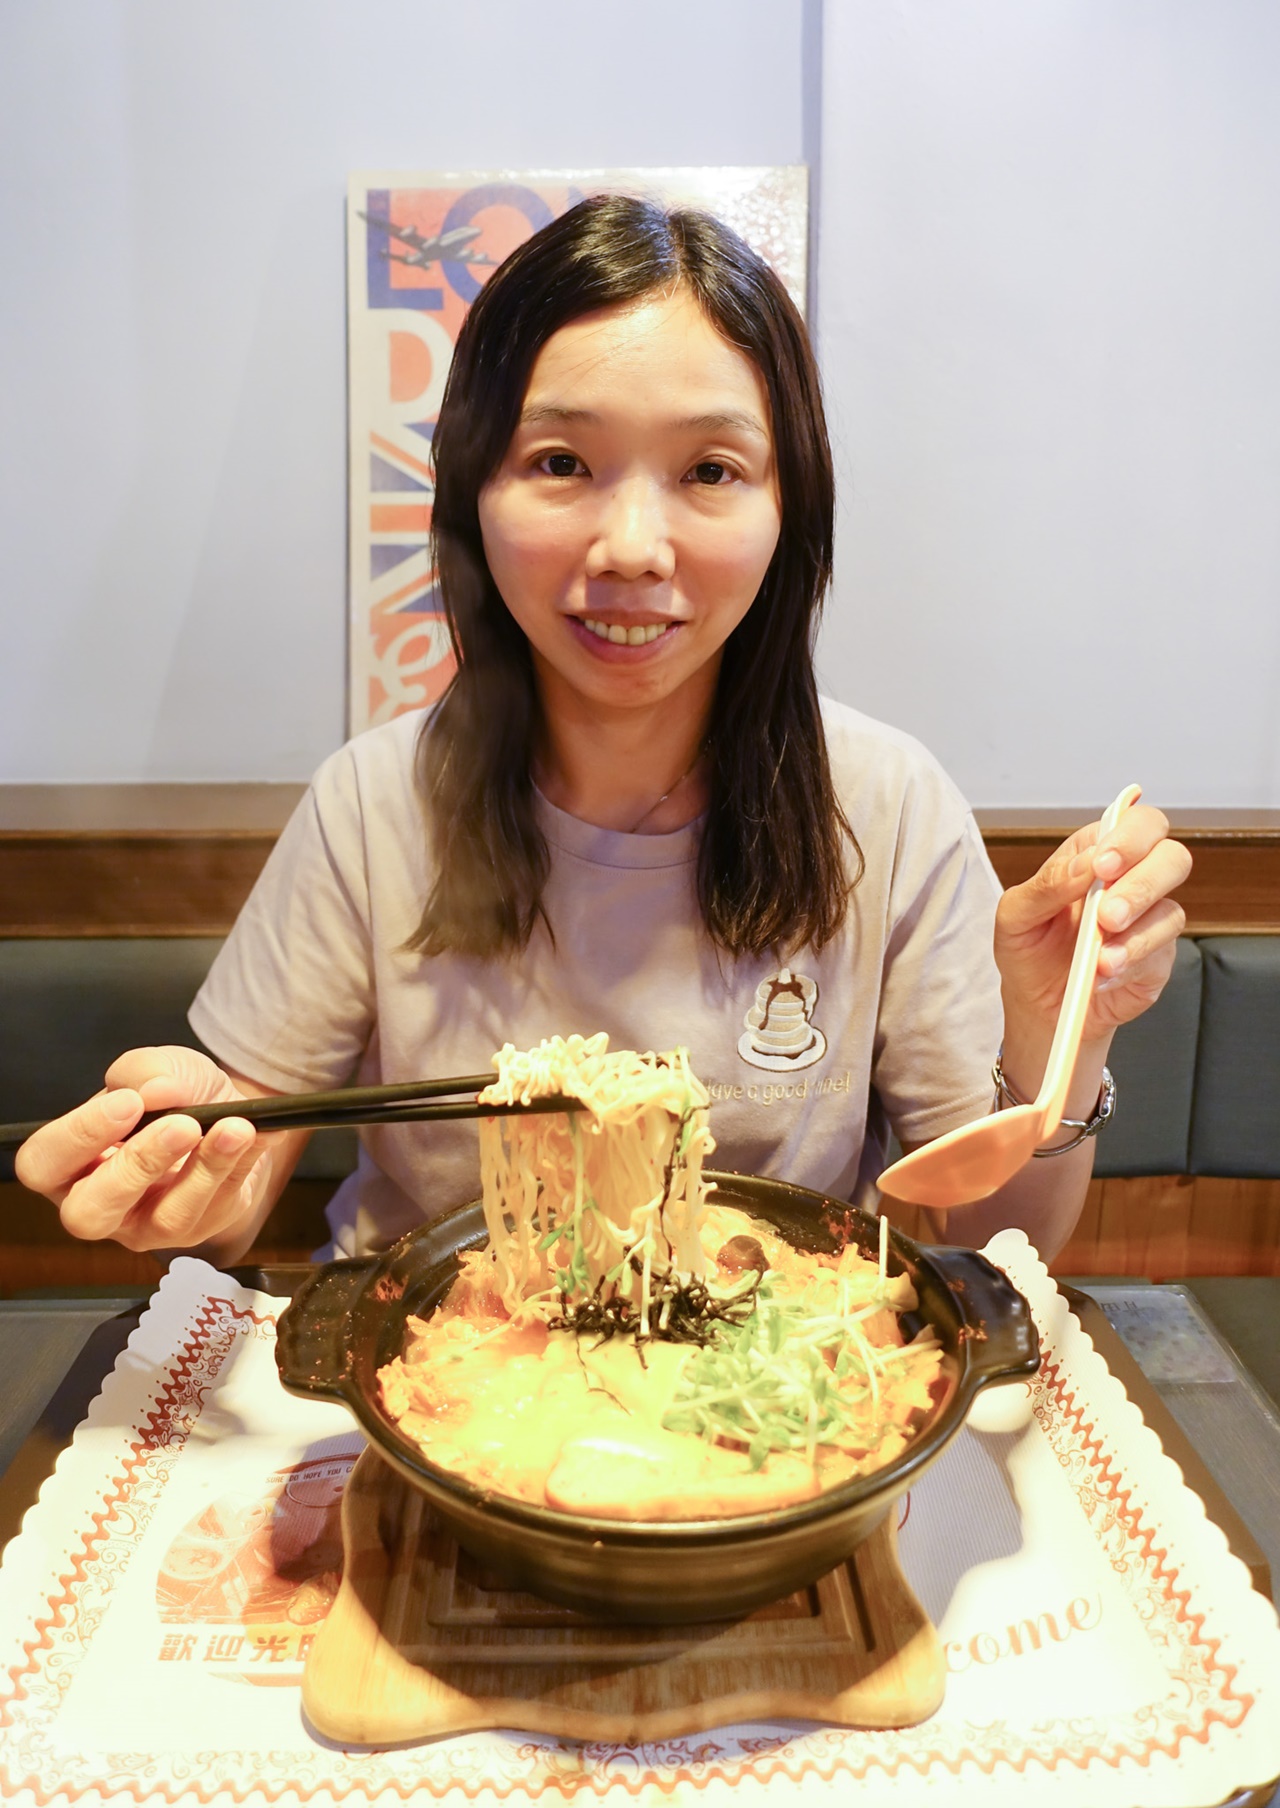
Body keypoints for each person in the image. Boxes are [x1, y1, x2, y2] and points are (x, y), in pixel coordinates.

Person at [16, 196, 1191, 1267]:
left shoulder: (884, 806)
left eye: (709, 470)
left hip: (767, 1397)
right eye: (561, 461)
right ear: (475, 493)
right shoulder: (375, 803)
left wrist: (1054, 1034)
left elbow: (991, 1235)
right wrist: (195, 1165)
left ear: (791, 509)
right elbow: (246, 1161)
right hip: (436, 1370)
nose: (631, 545)